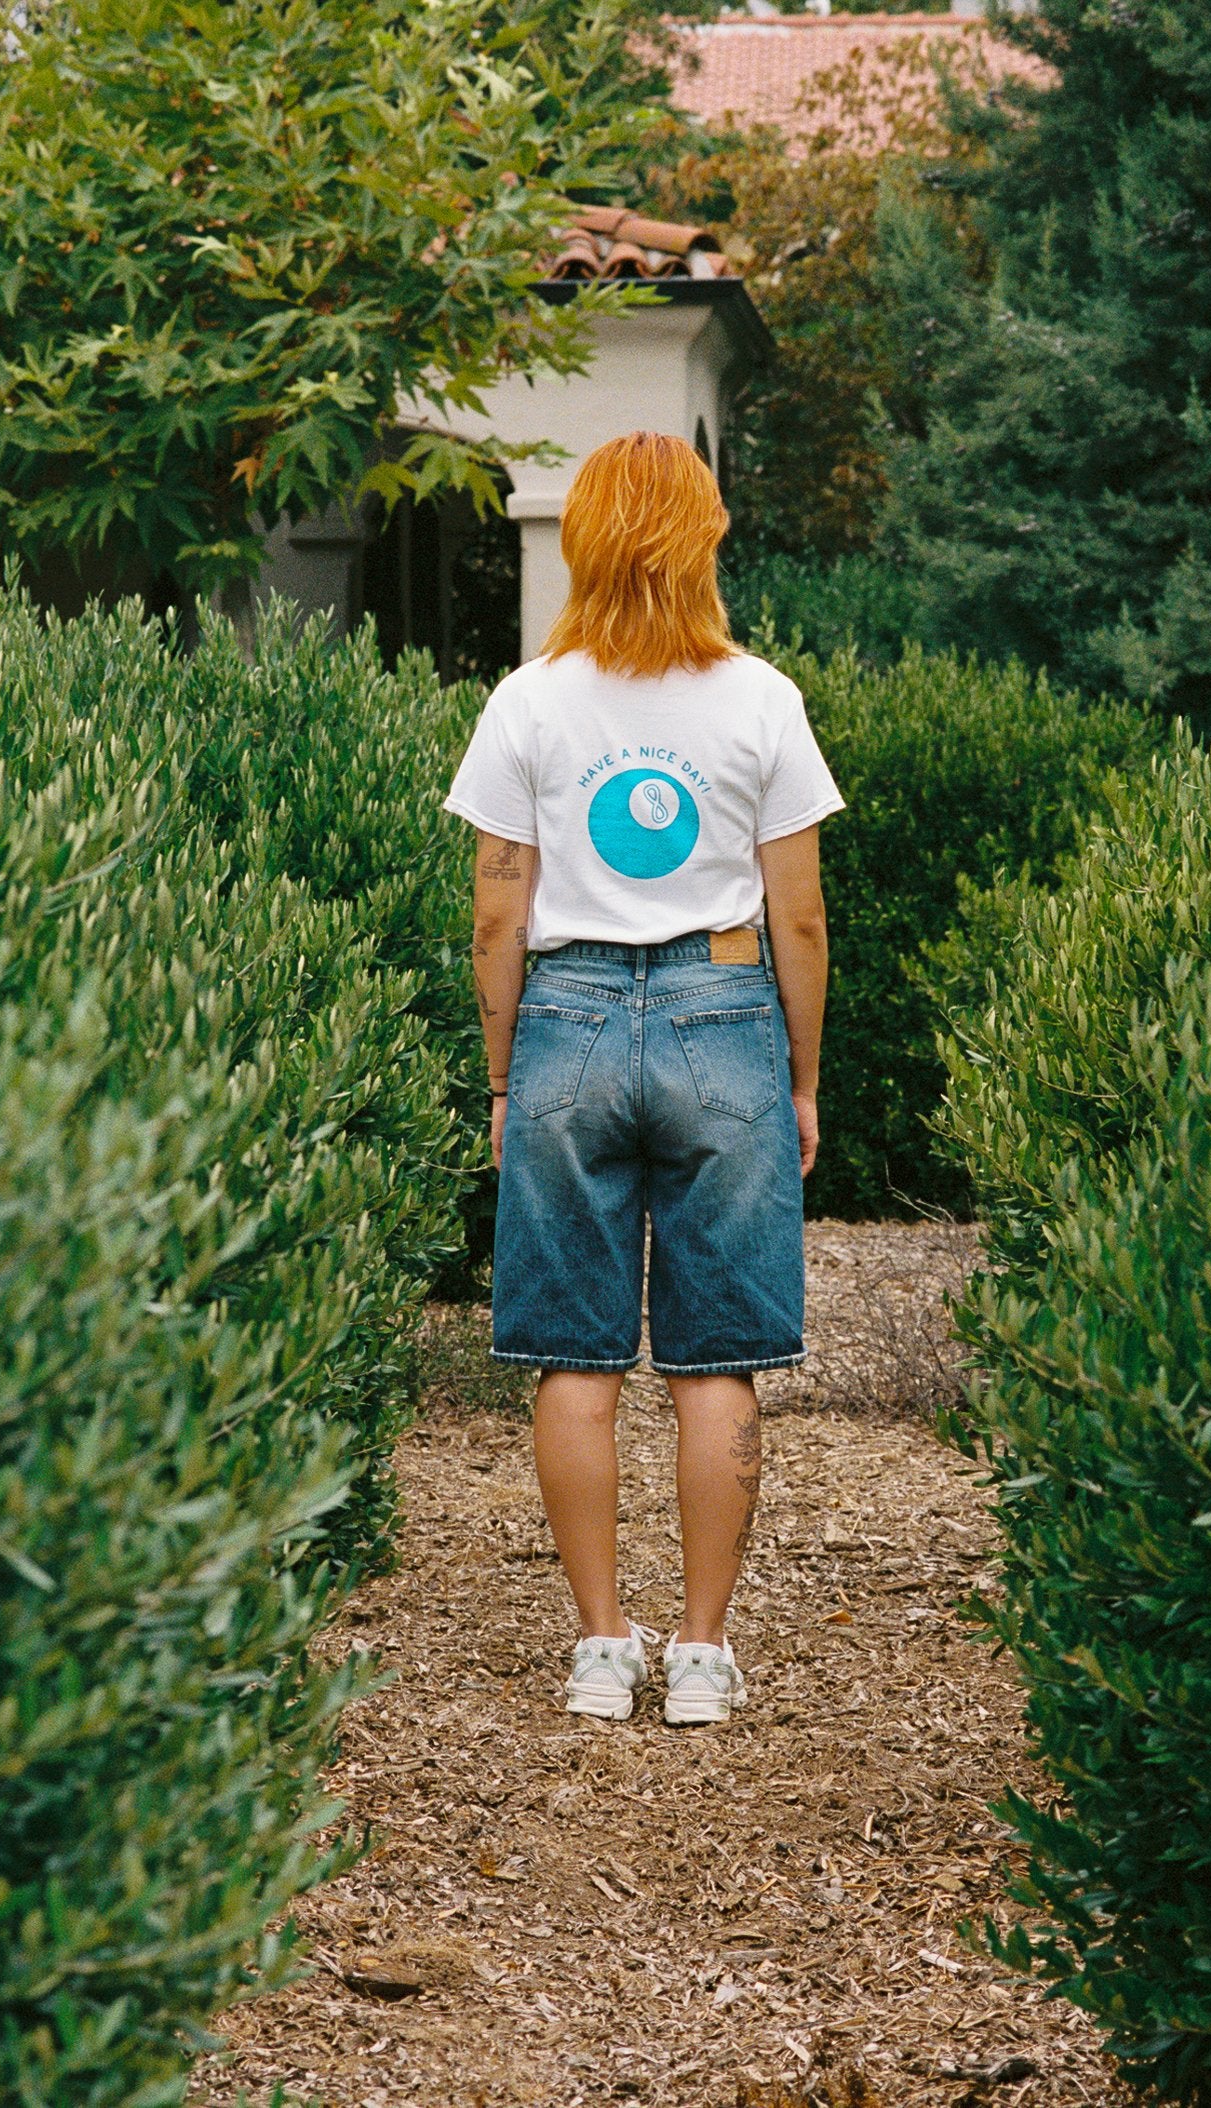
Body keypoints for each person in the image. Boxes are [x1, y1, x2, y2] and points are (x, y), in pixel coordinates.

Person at [442, 431, 843, 1727]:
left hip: (563, 1014)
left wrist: (506, 1078)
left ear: (589, 540)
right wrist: (801, 1077)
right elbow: (802, 918)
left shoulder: (530, 701)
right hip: (723, 1011)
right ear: (707, 537)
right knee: (717, 1358)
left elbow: (498, 914)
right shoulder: (761, 700)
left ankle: (602, 1648)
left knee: (576, 1353)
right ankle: (706, 1656)